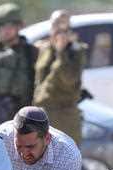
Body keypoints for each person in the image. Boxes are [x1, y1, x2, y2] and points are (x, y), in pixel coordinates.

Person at [33, 10, 87, 145]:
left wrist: (61, 52)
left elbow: (68, 79)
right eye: (55, 25)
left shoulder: (75, 51)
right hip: (43, 113)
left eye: (63, 27)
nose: (58, 31)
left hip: (64, 115)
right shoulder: (45, 49)